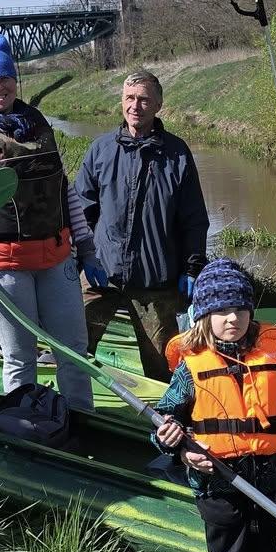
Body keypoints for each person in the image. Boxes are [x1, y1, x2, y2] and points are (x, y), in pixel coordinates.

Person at [0, 34, 106, 411]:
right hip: (5, 269)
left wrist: (86, 247)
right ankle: (24, 425)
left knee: (74, 351)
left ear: (15, 79)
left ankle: (82, 419)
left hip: (57, 260)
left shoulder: (38, 124)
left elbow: (64, 190)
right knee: (20, 358)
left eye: (5, 78)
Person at [152, 260, 276, 552]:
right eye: (221, 310)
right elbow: (164, 421)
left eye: (240, 309)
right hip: (219, 486)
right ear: (204, 316)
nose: (233, 318)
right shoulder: (191, 367)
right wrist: (177, 447)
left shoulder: (269, 354)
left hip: (268, 483)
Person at [73, 68, 210, 381]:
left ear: (158, 105)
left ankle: (166, 410)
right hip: (102, 273)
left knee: (163, 364)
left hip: (156, 281)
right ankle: (70, 401)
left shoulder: (177, 154)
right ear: (122, 101)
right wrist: (79, 257)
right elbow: (81, 211)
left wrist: (192, 267)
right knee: (74, 347)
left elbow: (193, 218)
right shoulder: (101, 150)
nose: (135, 106)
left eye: (144, 100)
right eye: (129, 98)